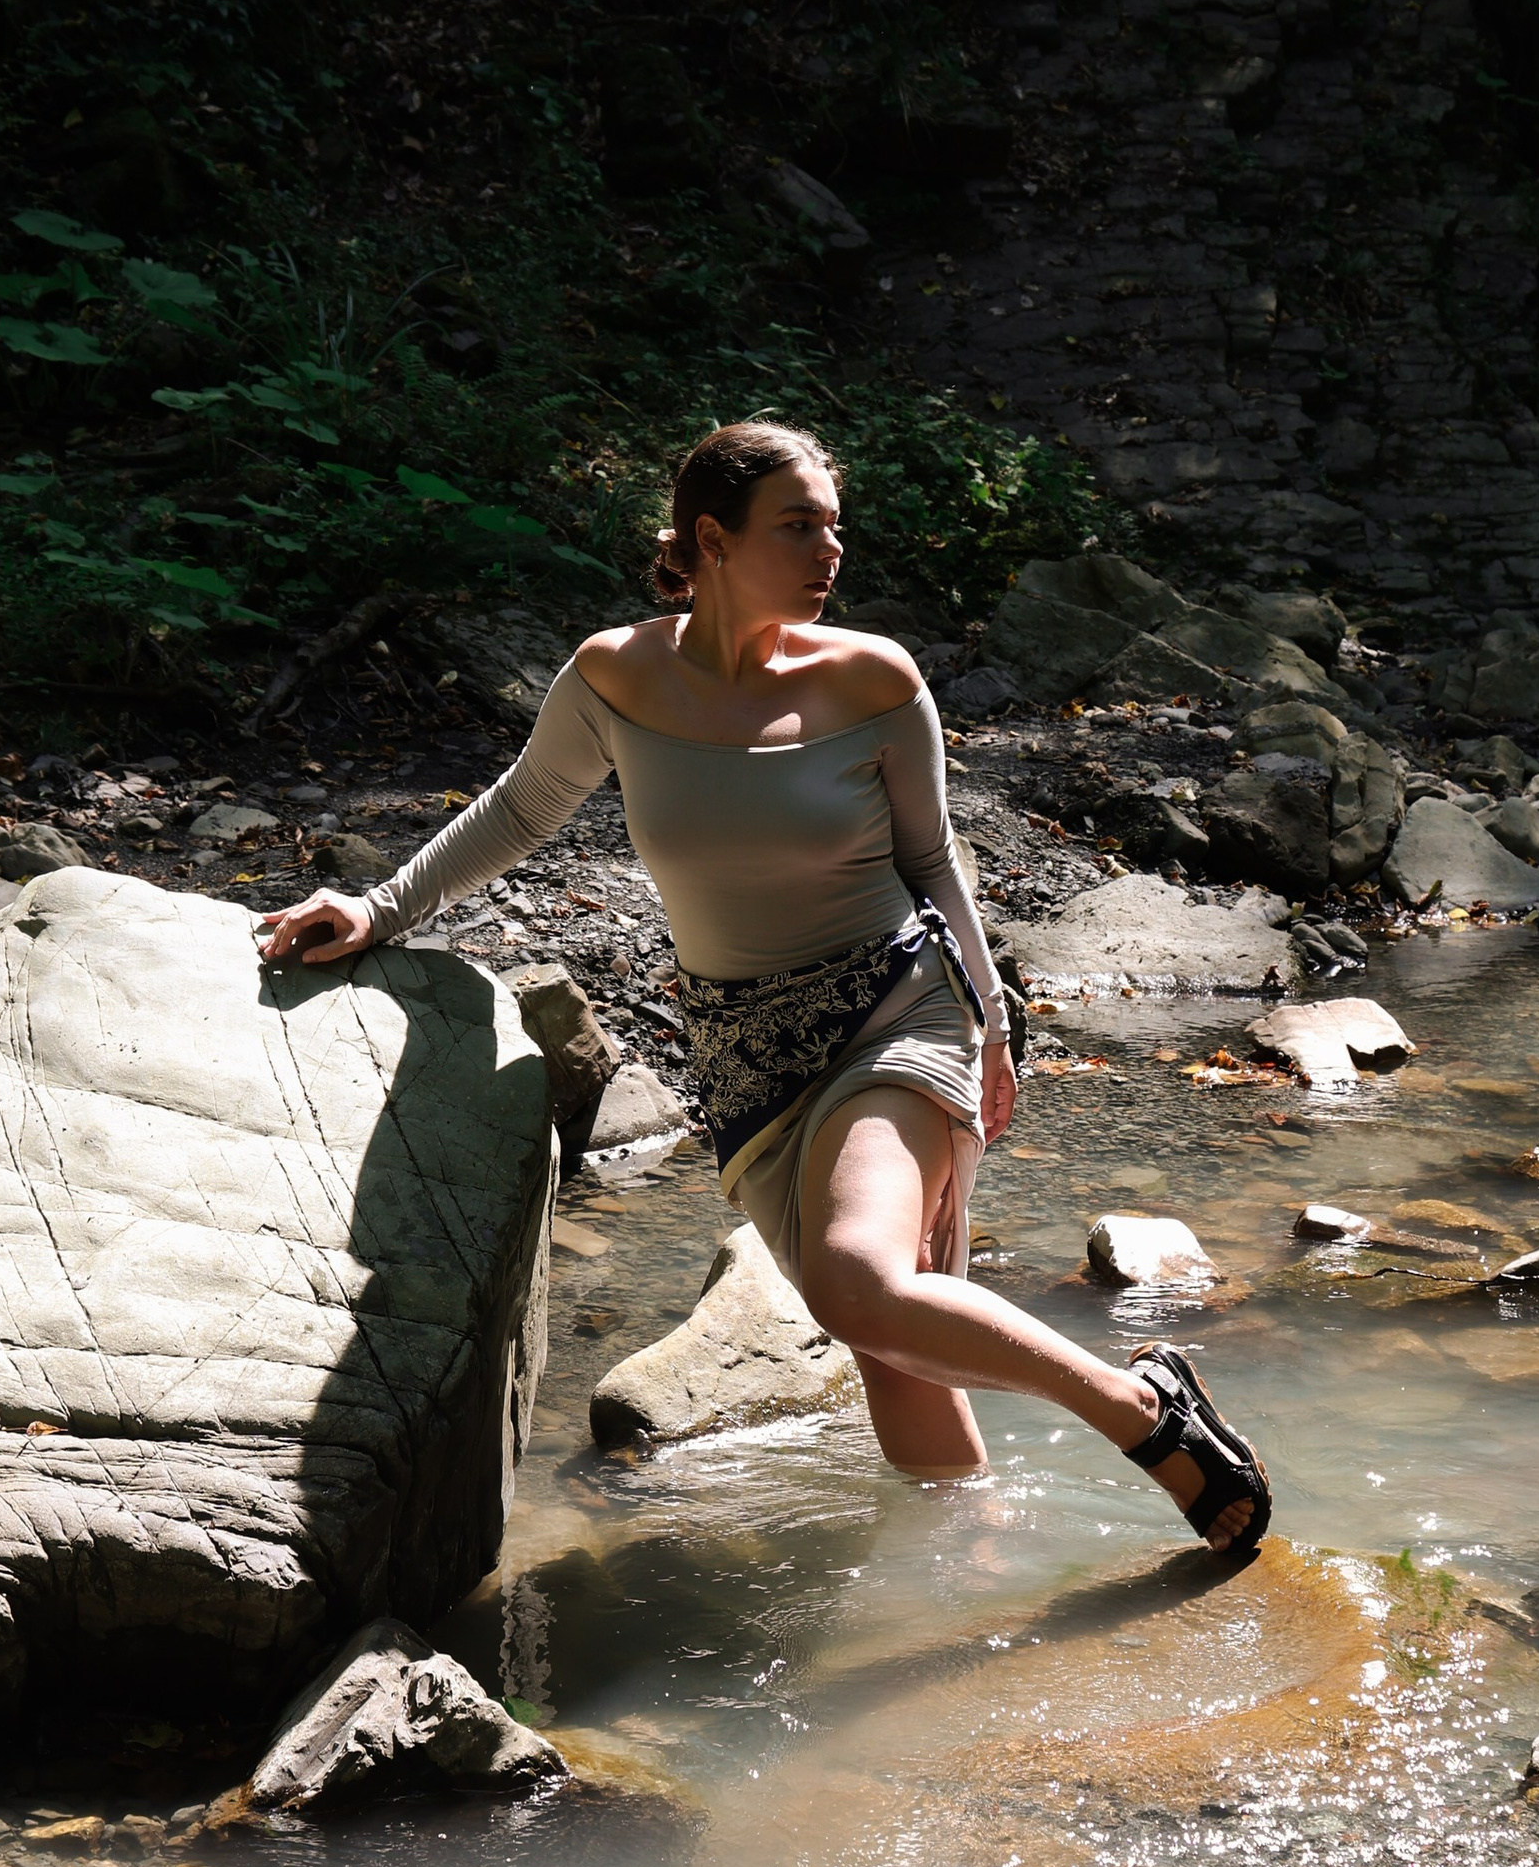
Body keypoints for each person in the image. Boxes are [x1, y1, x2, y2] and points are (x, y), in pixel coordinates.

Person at [256, 418, 1271, 1550]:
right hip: (742, 1052)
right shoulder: (614, 674)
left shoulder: (872, 679)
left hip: (899, 1008)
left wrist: (988, 1029)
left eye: (834, 526)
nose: (829, 549)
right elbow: (522, 810)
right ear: (711, 538)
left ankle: (1143, 1411)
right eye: (798, 525)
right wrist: (381, 907)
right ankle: (968, 1570)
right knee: (893, 1350)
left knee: (856, 1285)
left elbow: (931, 861)